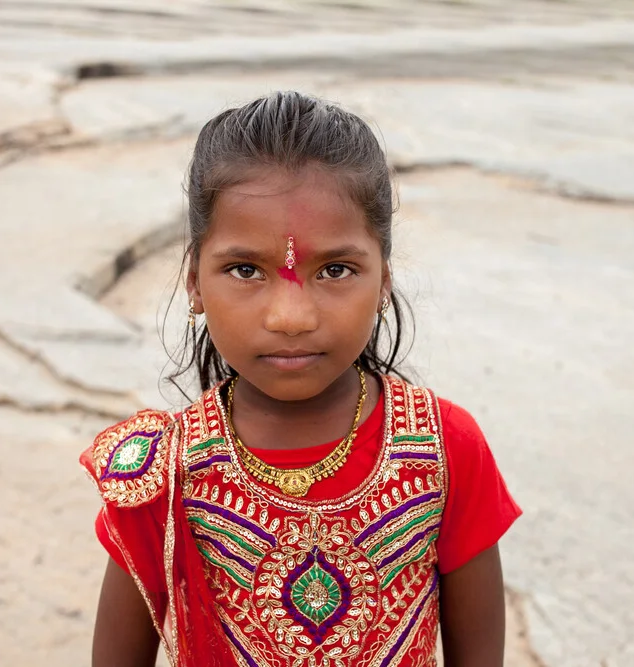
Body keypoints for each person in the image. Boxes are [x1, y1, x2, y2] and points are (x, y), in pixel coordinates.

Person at [81, 91, 521, 667]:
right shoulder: (159, 473)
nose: (291, 317)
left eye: (336, 270)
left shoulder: (445, 448)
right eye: (246, 270)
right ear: (194, 281)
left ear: (384, 278)